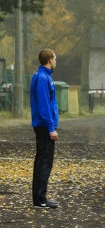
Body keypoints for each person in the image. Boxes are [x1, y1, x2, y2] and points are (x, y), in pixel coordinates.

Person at [30, 49, 59, 209]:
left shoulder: (43, 76)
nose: (56, 61)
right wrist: (51, 127)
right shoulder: (42, 78)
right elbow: (44, 106)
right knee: (44, 161)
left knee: (43, 160)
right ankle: (40, 199)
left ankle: (40, 197)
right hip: (43, 126)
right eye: (55, 58)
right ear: (49, 60)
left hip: (43, 125)